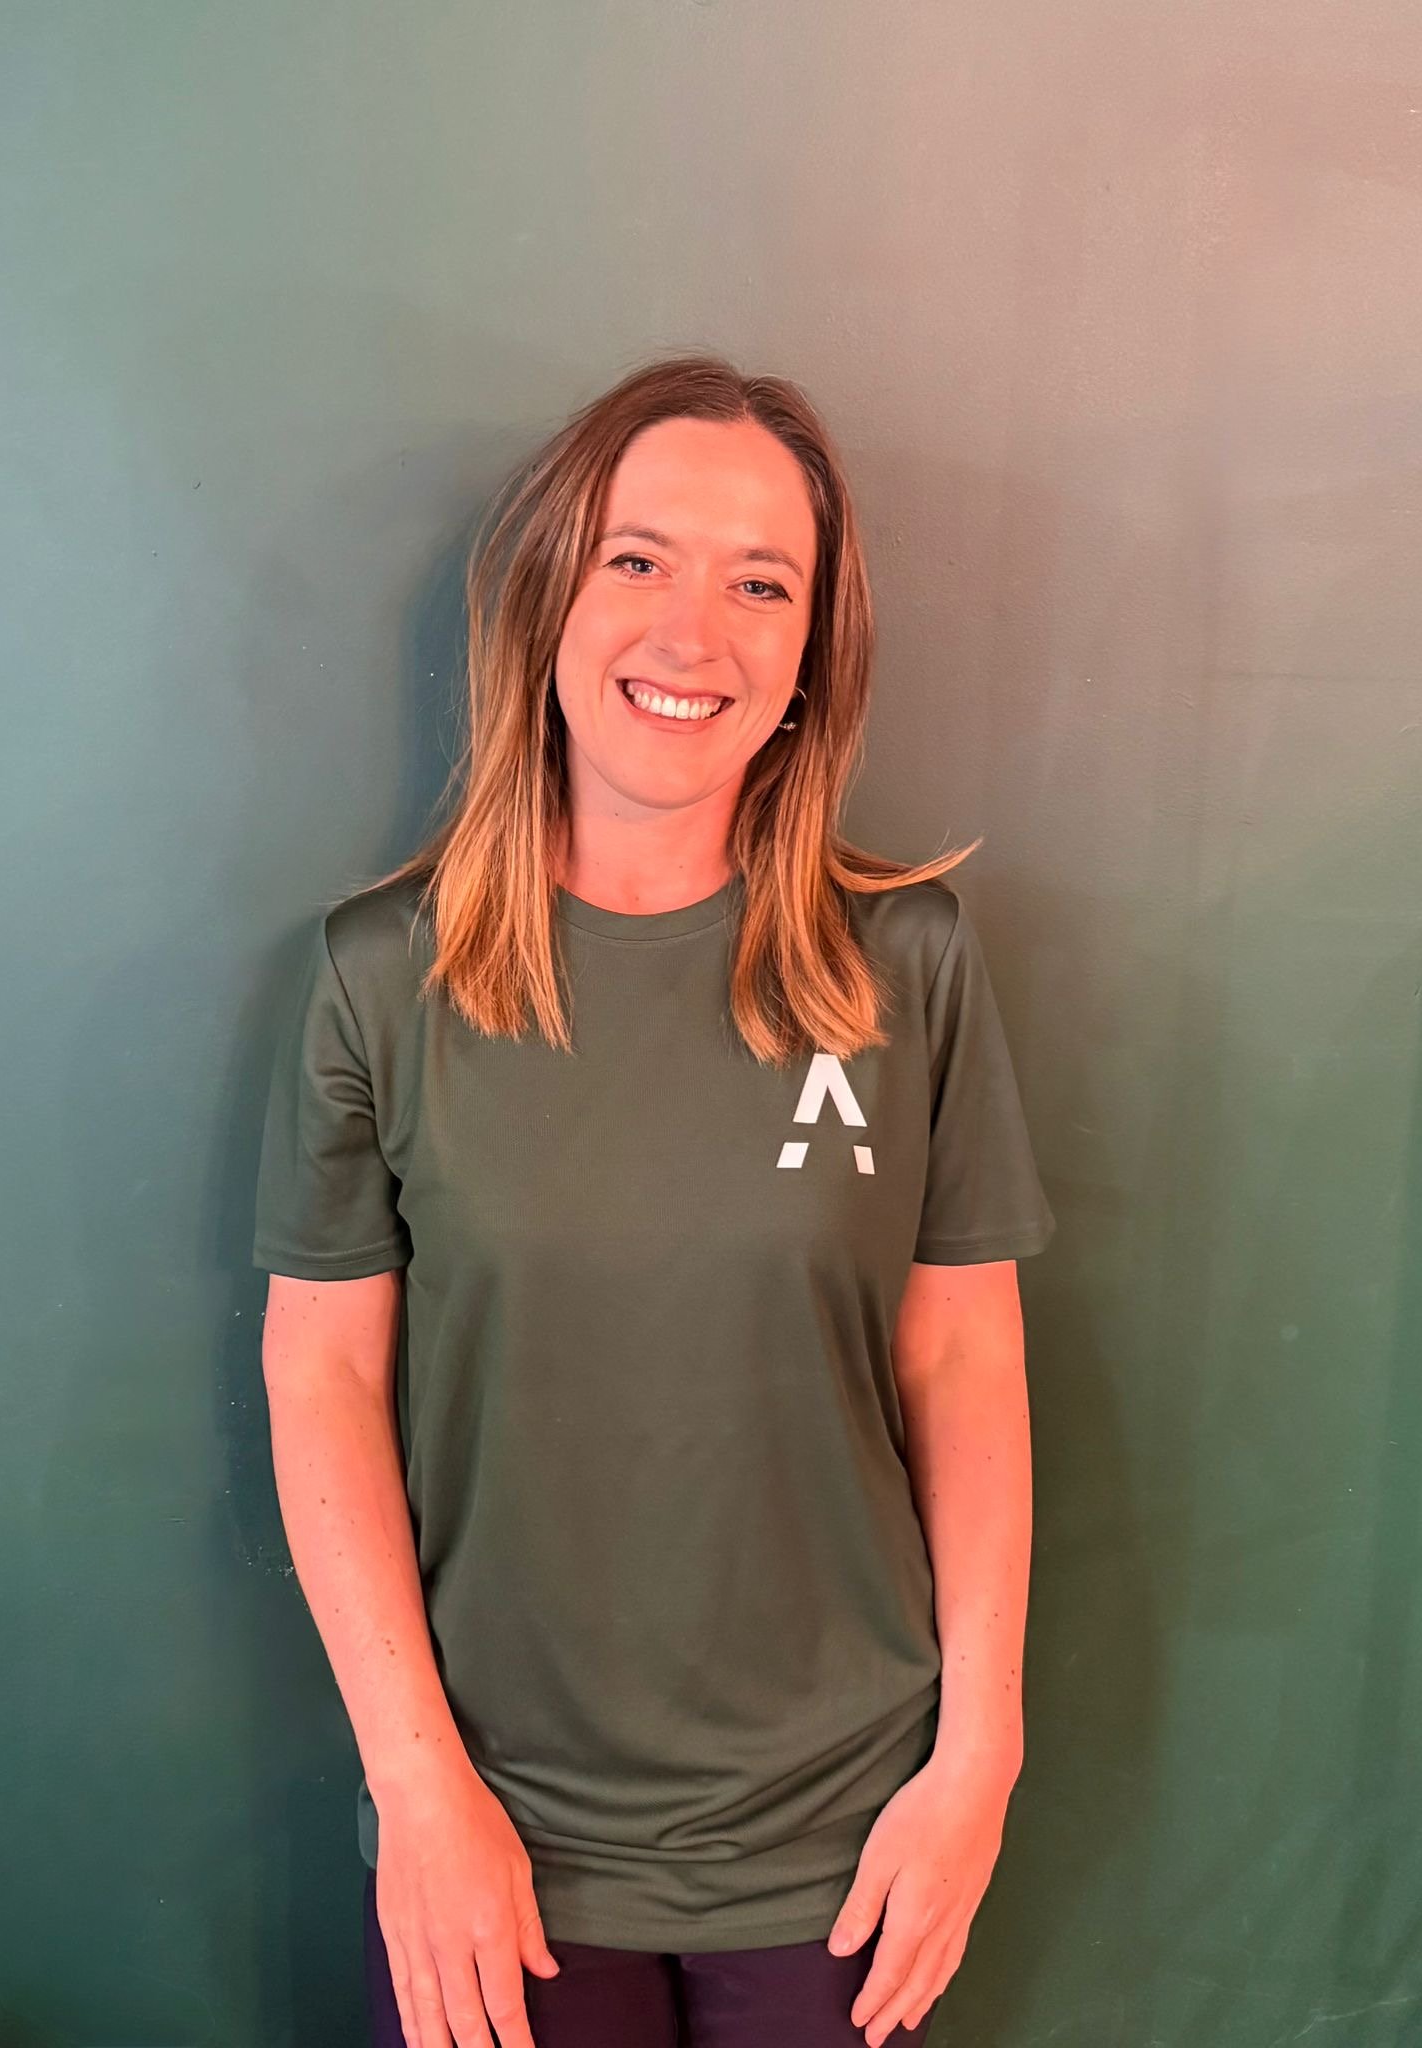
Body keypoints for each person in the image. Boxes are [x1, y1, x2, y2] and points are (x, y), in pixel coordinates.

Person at [251, 352, 1057, 2048]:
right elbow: (321, 1376)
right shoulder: (378, 981)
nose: (695, 631)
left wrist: (978, 1755)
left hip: (847, 1845)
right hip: (496, 1842)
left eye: (762, 582)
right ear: (549, 597)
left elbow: (965, 1361)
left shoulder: (905, 962)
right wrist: (418, 1789)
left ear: (808, 659)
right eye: (640, 558)